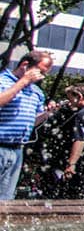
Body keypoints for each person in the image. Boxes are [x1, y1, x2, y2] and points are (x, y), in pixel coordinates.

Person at [0, 49, 53, 201]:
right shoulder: (2, 81)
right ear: (25, 65)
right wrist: (22, 82)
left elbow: (32, 122)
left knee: (5, 200)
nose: (41, 77)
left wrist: (46, 114)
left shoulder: (36, 92)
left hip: (17, 150)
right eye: (40, 72)